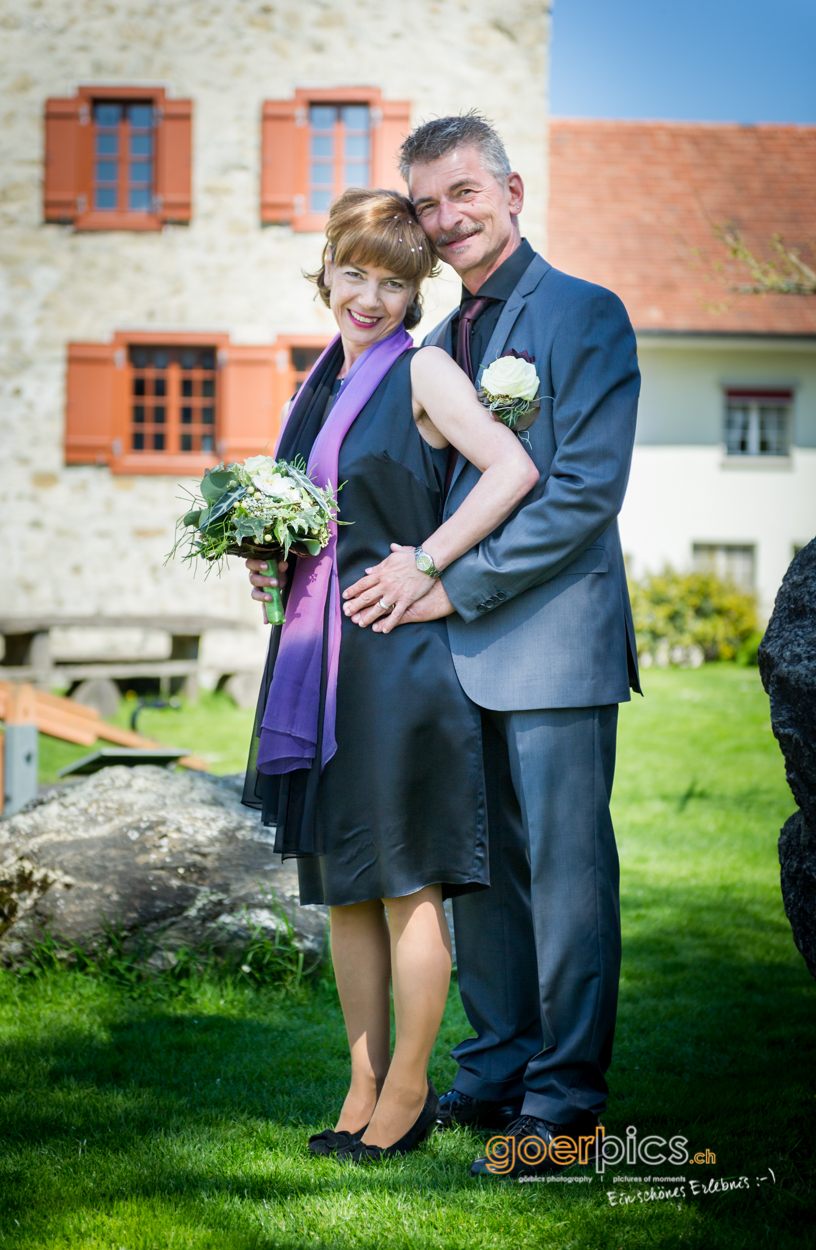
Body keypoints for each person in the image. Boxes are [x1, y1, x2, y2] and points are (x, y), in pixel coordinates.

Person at [341, 114, 642, 1179]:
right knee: (481, 879)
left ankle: (563, 1104)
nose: (446, 218)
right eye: (426, 204)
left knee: (564, 878)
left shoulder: (584, 315)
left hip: (555, 646)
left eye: (463, 193)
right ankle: (500, 1064)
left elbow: (580, 493)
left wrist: (444, 585)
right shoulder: (429, 348)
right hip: (448, 661)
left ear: (512, 191)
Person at [243, 186, 537, 1164]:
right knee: (346, 889)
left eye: (395, 281)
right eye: (355, 272)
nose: (370, 296)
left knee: (406, 887)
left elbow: (510, 470)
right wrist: (269, 558)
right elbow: (318, 513)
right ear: (326, 267)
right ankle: (361, 1081)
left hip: (396, 666)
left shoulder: (423, 373)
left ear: (419, 291)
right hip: (319, 658)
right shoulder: (318, 381)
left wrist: (430, 559)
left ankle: (409, 1091)